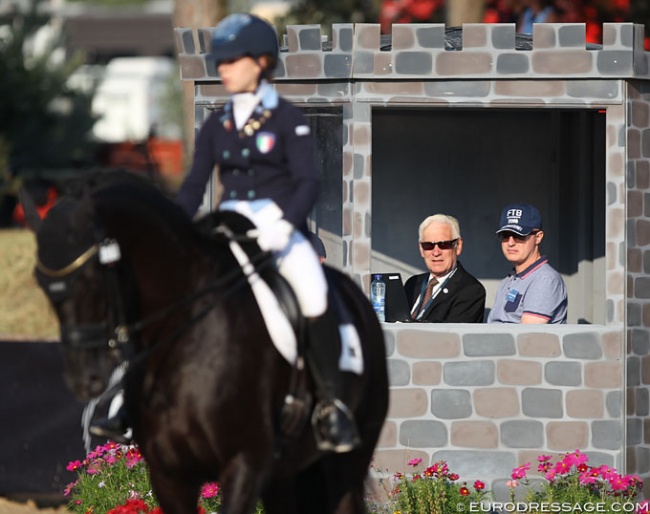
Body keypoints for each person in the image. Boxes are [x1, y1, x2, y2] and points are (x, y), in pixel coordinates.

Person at [91, 13, 358, 453]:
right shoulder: (218, 123)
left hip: (276, 224)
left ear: (261, 62)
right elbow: (195, 185)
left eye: (232, 61)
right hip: (228, 222)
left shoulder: (287, 120)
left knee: (313, 290)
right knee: (169, 295)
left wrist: (285, 227)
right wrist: (171, 234)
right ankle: (124, 399)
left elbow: (308, 183)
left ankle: (332, 406)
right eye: (221, 62)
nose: (223, 70)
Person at [488, 203, 567, 324]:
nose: (510, 243)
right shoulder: (508, 280)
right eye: (505, 235)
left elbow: (527, 338)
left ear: (538, 237)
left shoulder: (545, 279)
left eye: (519, 235)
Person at [405, 214, 486, 323]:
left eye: (444, 244)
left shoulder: (471, 291)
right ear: (421, 249)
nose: (436, 252)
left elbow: (451, 337)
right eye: (428, 245)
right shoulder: (412, 284)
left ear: (458, 246)